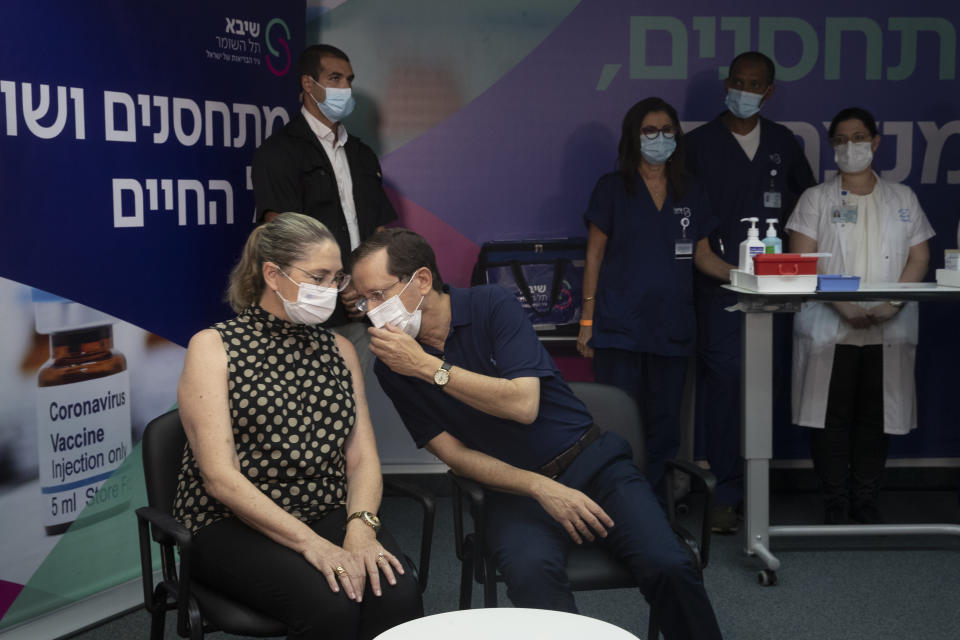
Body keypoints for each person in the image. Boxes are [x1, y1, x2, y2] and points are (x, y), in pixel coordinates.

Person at [351, 228, 723, 640]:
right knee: (532, 581)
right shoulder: (390, 365)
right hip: (513, 493)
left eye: (378, 295)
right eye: (363, 301)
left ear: (421, 281)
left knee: (668, 563)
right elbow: (453, 455)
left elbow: (522, 406)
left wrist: (425, 367)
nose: (372, 312)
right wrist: (540, 488)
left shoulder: (491, 304)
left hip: (593, 464)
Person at [172, 213, 422, 640]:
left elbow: (361, 456)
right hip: (229, 522)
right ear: (273, 274)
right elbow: (220, 478)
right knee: (331, 600)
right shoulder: (213, 347)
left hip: (322, 508)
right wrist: (312, 544)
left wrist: (360, 527)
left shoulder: (340, 349)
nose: (331, 291)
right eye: (319, 277)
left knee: (396, 593)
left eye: (337, 279)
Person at [685, 51, 816, 533]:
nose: (744, 90)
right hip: (718, 287)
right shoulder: (697, 145)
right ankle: (725, 492)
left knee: (768, 381)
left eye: (754, 83)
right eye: (737, 81)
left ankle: (759, 490)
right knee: (724, 385)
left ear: (769, 90)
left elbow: (806, 211)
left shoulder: (783, 143)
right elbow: (686, 218)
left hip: (775, 290)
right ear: (727, 84)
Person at [786, 107, 934, 524]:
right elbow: (803, 258)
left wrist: (890, 304)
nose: (851, 146)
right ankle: (834, 501)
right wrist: (846, 306)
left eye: (859, 137)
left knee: (874, 415)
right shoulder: (817, 198)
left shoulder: (902, 197)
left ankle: (865, 499)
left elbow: (919, 256)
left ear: (876, 141)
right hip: (832, 324)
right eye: (841, 139)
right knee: (830, 418)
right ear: (832, 145)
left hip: (890, 324)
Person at [576, 97, 728, 497]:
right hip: (618, 326)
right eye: (649, 131)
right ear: (633, 136)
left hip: (671, 327)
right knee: (619, 424)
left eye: (667, 130)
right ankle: (617, 506)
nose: (659, 138)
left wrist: (747, 276)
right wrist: (587, 322)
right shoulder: (611, 188)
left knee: (664, 427)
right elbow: (593, 256)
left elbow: (702, 254)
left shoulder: (691, 189)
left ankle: (657, 511)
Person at [252, 44, 397, 367]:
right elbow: (281, 238)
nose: (345, 88)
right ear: (308, 84)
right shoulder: (277, 153)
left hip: (363, 309)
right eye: (335, 78)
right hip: (308, 314)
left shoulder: (362, 155)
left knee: (363, 400)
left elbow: (379, 232)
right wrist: (334, 284)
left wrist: (363, 287)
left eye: (348, 79)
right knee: (314, 406)